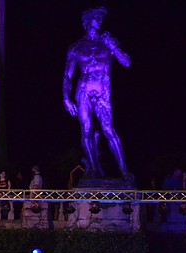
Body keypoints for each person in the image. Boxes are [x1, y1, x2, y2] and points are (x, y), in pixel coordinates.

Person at [63, 6, 131, 179]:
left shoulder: (107, 42)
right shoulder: (76, 47)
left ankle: (124, 171)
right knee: (86, 129)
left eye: (101, 17)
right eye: (96, 17)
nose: (100, 20)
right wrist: (66, 98)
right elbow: (68, 75)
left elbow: (126, 62)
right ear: (87, 22)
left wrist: (114, 48)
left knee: (109, 130)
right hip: (83, 91)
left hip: (102, 91)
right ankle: (93, 169)